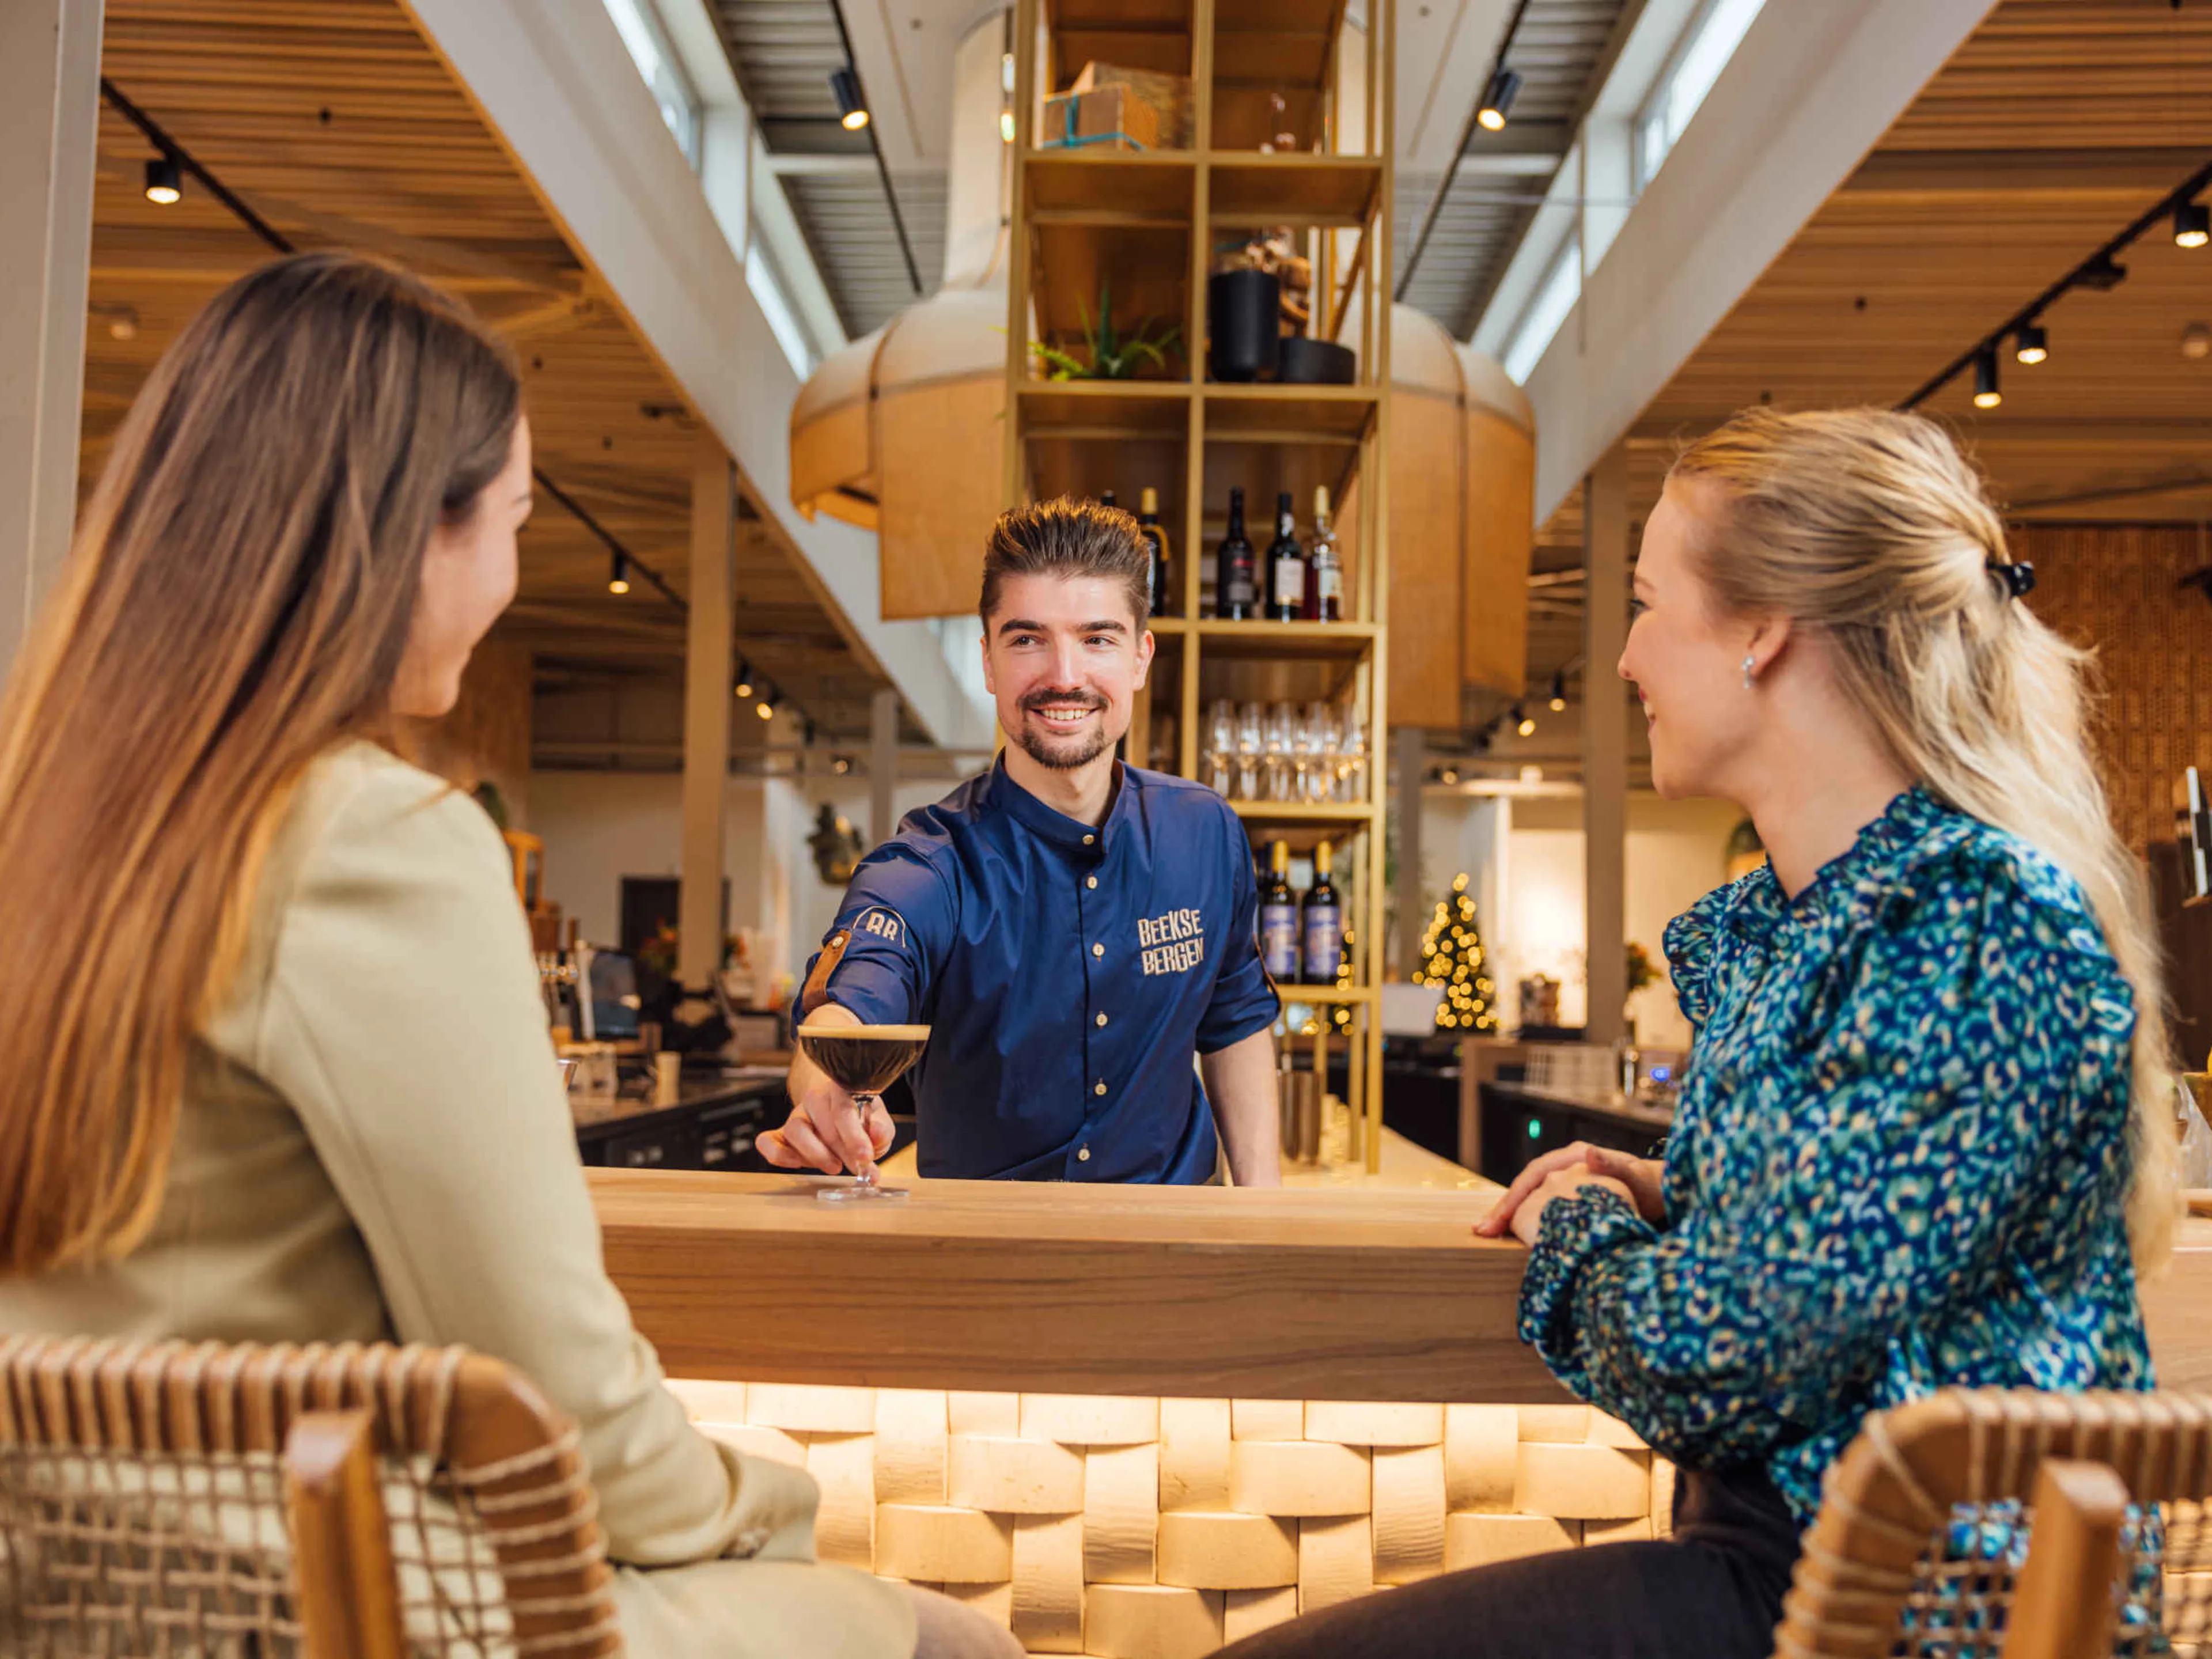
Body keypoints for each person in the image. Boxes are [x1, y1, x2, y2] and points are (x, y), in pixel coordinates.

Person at [0, 252, 1018, 1659]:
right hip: (348, 1598)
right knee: (956, 1642)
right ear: (409, 533)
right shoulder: (374, 839)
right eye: (514, 521)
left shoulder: (43, 818)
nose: (513, 572)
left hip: (88, 1601)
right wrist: (773, 1505)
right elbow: (556, 1393)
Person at [1217, 407, 2179, 1657]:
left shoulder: (1970, 916)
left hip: (1905, 1612)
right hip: (1800, 1571)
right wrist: (1679, 1191)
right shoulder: (1841, 916)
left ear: (1762, 632)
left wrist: (1585, 1221)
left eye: (1646, 602)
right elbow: (1886, 1222)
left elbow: (1718, 1364)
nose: (1622, 657)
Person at [764, 499, 1285, 1186]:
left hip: (1174, 1253)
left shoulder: (1206, 833)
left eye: (1097, 638)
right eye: (1027, 639)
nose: (1064, 675)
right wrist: (826, 1090)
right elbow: (855, 995)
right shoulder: (931, 862)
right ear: (988, 661)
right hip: (985, 1265)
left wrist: (1262, 1213)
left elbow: (1235, 1020)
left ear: (1140, 658)